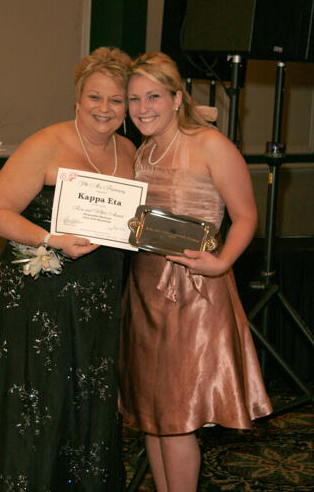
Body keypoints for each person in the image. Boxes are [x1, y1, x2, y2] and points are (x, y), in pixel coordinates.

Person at [0, 47, 136, 491]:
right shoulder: (46, 143)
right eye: (95, 97)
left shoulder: (128, 150)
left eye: (116, 100)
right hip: (34, 302)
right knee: (37, 403)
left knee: (81, 402)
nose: (104, 109)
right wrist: (51, 239)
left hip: (95, 301)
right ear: (77, 98)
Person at [118, 52, 273, 492]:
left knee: (179, 417)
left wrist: (222, 263)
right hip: (145, 291)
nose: (143, 108)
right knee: (153, 415)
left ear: (176, 97)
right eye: (134, 99)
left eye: (153, 96)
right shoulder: (144, 150)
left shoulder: (209, 144)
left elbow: (246, 216)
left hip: (195, 292)